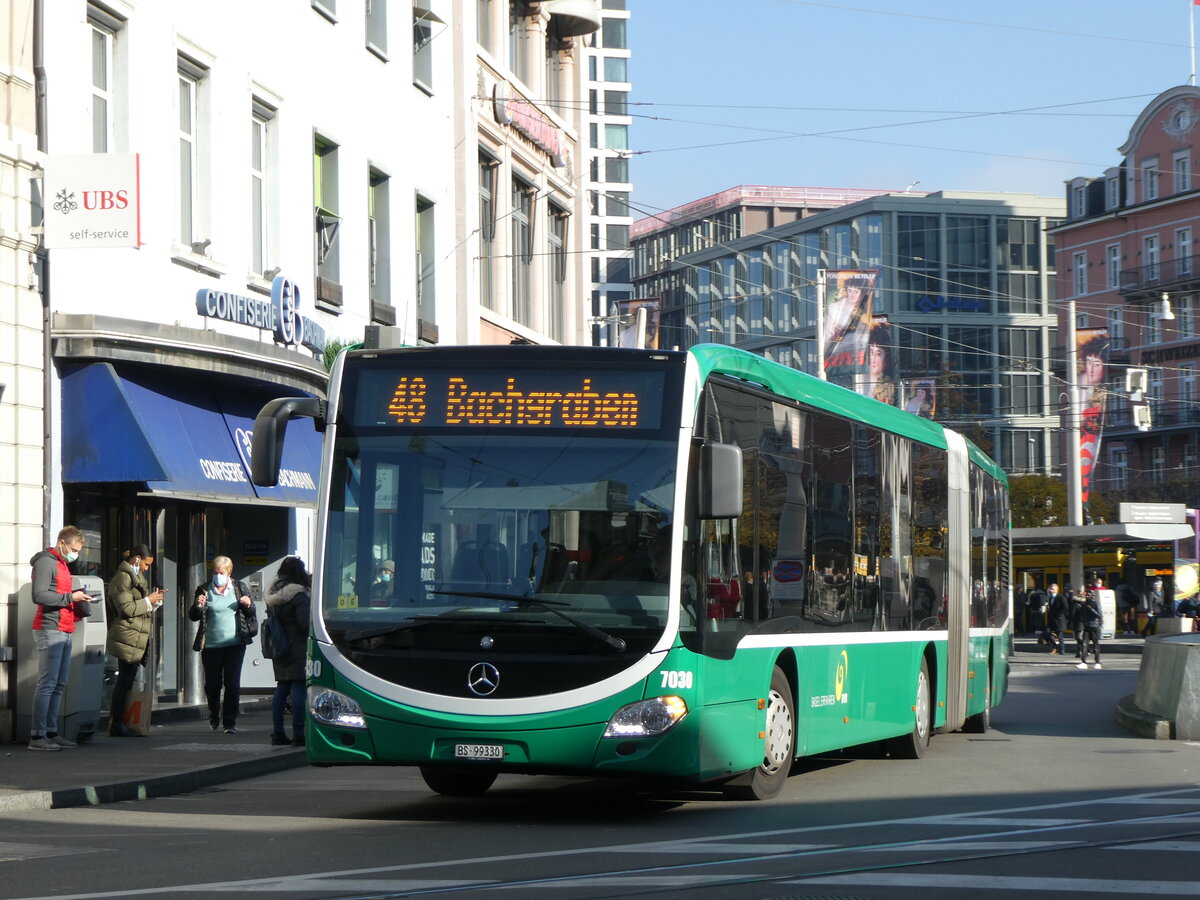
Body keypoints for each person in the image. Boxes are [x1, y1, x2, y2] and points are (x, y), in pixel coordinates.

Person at [28, 526, 91, 751]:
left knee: (58, 683)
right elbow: (39, 595)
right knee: (47, 684)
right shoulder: (46, 562)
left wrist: (75, 599)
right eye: (74, 550)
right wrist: (70, 597)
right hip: (50, 628)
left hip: (64, 627)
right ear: (62, 542)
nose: (75, 555)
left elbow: (56, 594)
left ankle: (51, 732)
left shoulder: (61, 563)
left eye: (78, 551)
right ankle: (37, 737)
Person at [189, 556, 256, 733]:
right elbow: (193, 616)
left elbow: (251, 612)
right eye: (215, 572)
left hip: (235, 643)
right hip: (211, 645)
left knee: (232, 684)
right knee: (213, 684)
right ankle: (214, 713)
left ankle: (229, 722)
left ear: (229, 573)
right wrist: (198, 605)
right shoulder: (204, 589)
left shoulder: (239, 588)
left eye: (221, 572)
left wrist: (248, 605)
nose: (218, 575)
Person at [105, 544, 165, 737]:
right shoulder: (124, 577)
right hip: (127, 634)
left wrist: (153, 603)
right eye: (146, 564)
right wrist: (148, 601)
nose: (147, 568)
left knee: (128, 679)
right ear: (137, 559)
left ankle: (122, 721)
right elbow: (127, 608)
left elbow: (137, 607)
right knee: (125, 680)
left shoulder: (135, 576)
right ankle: (117, 723)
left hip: (135, 634)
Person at [265, 556, 312, 747]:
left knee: (282, 688)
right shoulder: (298, 594)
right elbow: (305, 623)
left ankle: (278, 732)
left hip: (278, 645)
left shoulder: (272, 593)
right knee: (299, 687)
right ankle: (299, 733)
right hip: (298, 647)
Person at [867, 319, 897, 406]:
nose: (873, 358)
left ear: (885, 358)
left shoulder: (890, 386)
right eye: (871, 352)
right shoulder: (857, 378)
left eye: (878, 354)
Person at [1074, 588, 1104, 669]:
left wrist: (1091, 609)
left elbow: (1099, 615)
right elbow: (1082, 615)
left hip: (1094, 627)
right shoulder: (1084, 605)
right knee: (1084, 644)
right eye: (1086, 595)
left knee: (1096, 645)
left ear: (1092, 596)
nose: (1087, 596)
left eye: (1088, 595)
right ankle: (1083, 662)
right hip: (1087, 627)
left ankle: (1097, 662)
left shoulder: (1095, 604)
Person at [1047, 582, 1068, 654]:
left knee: (1059, 636)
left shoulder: (1061, 597)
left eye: (1052, 589)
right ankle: (1055, 647)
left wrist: (1060, 614)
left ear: (1056, 590)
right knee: (1048, 633)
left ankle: (1062, 650)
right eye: (1050, 589)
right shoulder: (1050, 598)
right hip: (1052, 620)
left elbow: (1065, 608)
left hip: (1059, 620)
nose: (1051, 590)